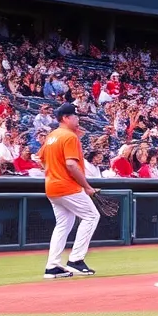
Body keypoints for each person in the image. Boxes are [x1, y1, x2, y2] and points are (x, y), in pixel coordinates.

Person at [39, 102, 100, 278]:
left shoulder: (53, 135)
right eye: (75, 115)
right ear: (65, 118)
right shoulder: (69, 136)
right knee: (91, 216)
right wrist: (87, 187)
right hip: (67, 186)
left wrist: (53, 172)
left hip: (52, 187)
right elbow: (71, 164)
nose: (78, 118)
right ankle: (76, 260)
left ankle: (52, 266)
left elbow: (41, 158)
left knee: (63, 225)